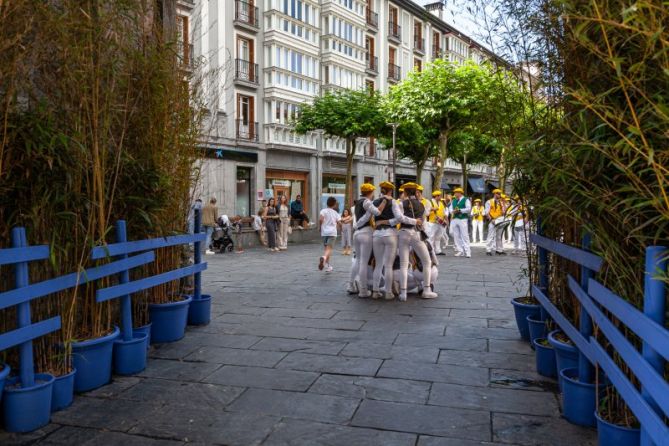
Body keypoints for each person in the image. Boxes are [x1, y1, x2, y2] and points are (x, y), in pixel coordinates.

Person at [371, 181, 411, 300]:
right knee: (388, 265)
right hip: (390, 234)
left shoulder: (374, 202)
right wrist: (388, 222)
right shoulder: (393, 202)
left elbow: (372, 217)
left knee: (378, 264)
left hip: (377, 234)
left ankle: (375, 291)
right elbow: (399, 218)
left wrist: (381, 222)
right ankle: (388, 292)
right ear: (391, 191)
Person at [397, 183, 437, 301]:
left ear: (405, 192)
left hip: (403, 232)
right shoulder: (422, 205)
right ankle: (426, 290)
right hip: (416, 233)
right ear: (415, 192)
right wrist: (415, 221)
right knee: (427, 261)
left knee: (404, 264)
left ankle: (403, 293)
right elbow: (422, 221)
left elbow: (399, 218)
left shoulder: (400, 204)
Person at [347, 183, 386, 297]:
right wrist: (384, 202)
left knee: (358, 260)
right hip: (366, 233)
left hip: (357, 233)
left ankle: (350, 284)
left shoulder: (357, 203)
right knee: (363, 262)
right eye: (373, 192)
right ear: (370, 192)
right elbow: (378, 212)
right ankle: (363, 290)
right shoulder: (367, 202)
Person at [319, 196, 341, 272]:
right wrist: (339, 228)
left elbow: (321, 219)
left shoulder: (323, 211)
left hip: (324, 232)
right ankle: (324, 258)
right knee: (329, 249)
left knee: (326, 249)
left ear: (327, 203)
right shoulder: (336, 213)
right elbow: (339, 222)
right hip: (332, 233)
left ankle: (328, 266)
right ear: (334, 204)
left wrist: (320, 227)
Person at [449, 187, 472, 258]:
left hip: (462, 219)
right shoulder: (454, 201)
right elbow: (450, 208)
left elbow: (468, 209)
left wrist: (460, 210)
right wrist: (452, 211)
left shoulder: (466, 200)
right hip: (455, 219)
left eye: (456, 193)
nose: (455, 194)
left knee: (465, 235)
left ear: (460, 193)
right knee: (455, 234)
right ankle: (460, 250)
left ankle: (468, 252)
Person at [485, 189, 508, 256]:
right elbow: (486, 212)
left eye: (500, 194)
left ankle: (499, 250)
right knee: (490, 235)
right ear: (495, 194)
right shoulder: (489, 202)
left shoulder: (501, 202)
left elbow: (504, 212)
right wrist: (491, 220)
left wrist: (504, 203)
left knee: (499, 236)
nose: (499, 195)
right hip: (493, 220)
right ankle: (488, 250)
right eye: (498, 193)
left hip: (500, 220)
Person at [428, 190, 447, 255]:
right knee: (431, 236)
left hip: (440, 222)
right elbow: (426, 211)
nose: (441, 197)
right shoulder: (430, 202)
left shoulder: (441, 203)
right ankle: (431, 251)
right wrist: (432, 209)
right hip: (432, 222)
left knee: (438, 237)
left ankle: (438, 250)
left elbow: (444, 212)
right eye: (440, 196)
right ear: (436, 196)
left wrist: (445, 219)